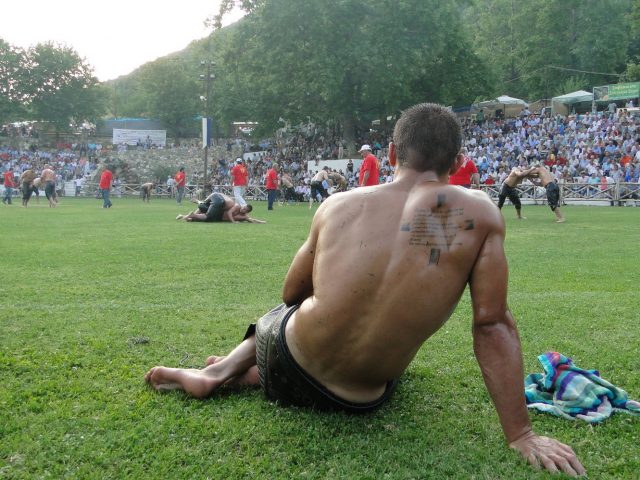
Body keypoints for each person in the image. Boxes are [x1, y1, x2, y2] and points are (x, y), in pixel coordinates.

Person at [145, 103, 585, 477]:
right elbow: (492, 325)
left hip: (289, 367)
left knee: (283, 315)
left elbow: (290, 293)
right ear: (456, 164)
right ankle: (233, 372)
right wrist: (521, 434)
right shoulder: (481, 213)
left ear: (392, 152)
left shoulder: (338, 204)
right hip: (362, 397)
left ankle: (220, 372)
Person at [176, 192, 265, 224]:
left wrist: (261, 222)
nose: (243, 209)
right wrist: (233, 222)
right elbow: (230, 213)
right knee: (207, 217)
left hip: (218, 215)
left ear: (247, 211)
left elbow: (251, 220)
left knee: (194, 219)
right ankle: (192, 213)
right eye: (244, 207)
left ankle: (184, 216)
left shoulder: (244, 216)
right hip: (219, 212)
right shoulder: (237, 206)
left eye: (245, 210)